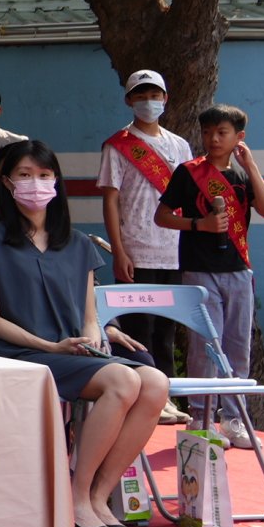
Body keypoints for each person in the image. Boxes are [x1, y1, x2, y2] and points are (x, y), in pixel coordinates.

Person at [0, 140, 168, 527]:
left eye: (44, 175)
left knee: (156, 384)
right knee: (124, 382)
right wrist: (51, 347)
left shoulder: (79, 245)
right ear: (6, 183)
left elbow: (89, 317)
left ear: (56, 181)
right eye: (24, 175)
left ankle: (97, 497)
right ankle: (77, 498)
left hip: (74, 353)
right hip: (22, 353)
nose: (35, 184)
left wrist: (92, 341)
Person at [157, 105, 264, 449]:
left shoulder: (243, 176)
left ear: (239, 137)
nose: (213, 139)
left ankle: (234, 418)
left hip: (238, 271)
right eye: (208, 132)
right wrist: (200, 225)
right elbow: (162, 216)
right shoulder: (188, 172)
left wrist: (251, 165)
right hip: (199, 270)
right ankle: (200, 418)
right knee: (203, 346)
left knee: (237, 347)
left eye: (222, 133)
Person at [98, 69, 195, 403]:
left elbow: (188, 198)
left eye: (154, 95)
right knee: (139, 329)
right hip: (136, 250)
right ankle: (142, 396)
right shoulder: (118, 146)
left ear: (165, 99)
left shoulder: (180, 145)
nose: (148, 102)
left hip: (173, 251)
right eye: (141, 95)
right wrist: (120, 251)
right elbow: (110, 200)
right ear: (129, 101)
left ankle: (164, 397)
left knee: (167, 330)